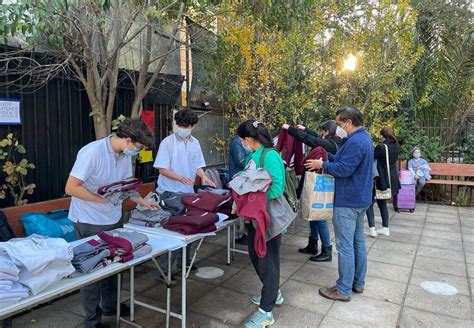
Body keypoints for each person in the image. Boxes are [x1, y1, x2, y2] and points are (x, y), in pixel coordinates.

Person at [65, 118, 158, 328]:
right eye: (139, 147)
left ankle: (111, 306)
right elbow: (71, 187)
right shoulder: (92, 152)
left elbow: (126, 186)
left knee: (114, 263)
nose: (138, 151)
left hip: (112, 217)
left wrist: (142, 201)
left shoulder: (124, 155)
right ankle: (92, 319)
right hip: (88, 219)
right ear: (128, 140)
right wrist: (101, 201)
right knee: (91, 270)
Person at [305, 106, 373, 302]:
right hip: (360, 199)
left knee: (345, 246)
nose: (338, 127)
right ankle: (357, 283)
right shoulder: (363, 138)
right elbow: (347, 162)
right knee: (357, 242)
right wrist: (328, 158)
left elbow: (344, 170)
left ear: (349, 122)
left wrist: (322, 165)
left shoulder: (355, 142)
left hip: (348, 201)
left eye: (339, 123)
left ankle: (343, 289)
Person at [153, 109, 215, 278]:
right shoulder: (168, 142)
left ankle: (184, 261)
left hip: (188, 194)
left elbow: (198, 166)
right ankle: (164, 270)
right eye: (180, 125)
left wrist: (204, 177)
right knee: (170, 231)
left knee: (188, 228)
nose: (182, 128)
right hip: (169, 193)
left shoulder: (195, 143)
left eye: (186, 126)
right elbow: (161, 168)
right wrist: (180, 178)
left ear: (193, 126)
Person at [237, 120, 286, 328]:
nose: (242, 143)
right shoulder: (253, 155)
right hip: (254, 217)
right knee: (256, 257)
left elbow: (277, 188)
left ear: (248, 139)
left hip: (267, 219)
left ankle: (266, 312)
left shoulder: (270, 155)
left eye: (242, 140)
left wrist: (253, 198)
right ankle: (273, 292)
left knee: (268, 263)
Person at [282, 121, 340, 262]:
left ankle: (327, 250)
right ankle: (312, 244)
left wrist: (289, 129)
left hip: (321, 185)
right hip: (319, 183)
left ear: (326, 132)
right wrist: (305, 129)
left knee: (319, 217)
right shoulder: (334, 141)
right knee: (313, 215)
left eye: (322, 132)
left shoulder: (331, 144)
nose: (321, 134)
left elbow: (312, 140)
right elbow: (316, 137)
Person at [365, 127, 401, 237]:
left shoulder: (381, 147)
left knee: (369, 203)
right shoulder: (396, 146)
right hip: (391, 178)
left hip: (380, 179)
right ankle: (385, 228)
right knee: (382, 203)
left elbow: (369, 157)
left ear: (382, 136)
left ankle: (372, 229)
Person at [228, 135, 251, 245]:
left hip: (242, 178)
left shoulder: (244, 142)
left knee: (240, 208)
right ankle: (238, 235)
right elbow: (241, 161)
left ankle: (241, 233)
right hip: (237, 178)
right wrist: (253, 158)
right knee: (237, 207)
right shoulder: (237, 143)